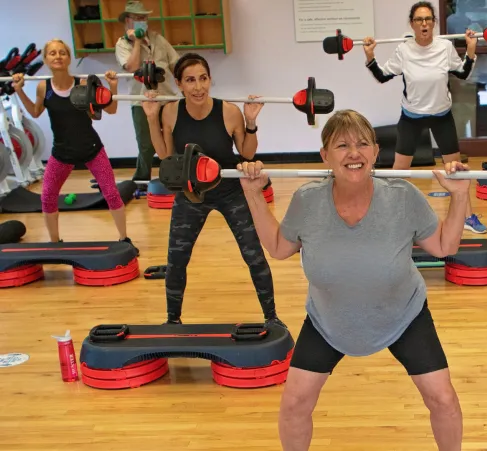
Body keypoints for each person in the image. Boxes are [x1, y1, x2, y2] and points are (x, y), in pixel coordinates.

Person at [238, 110, 466, 450]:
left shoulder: (403, 197)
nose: (354, 153)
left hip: (402, 316)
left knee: (443, 398)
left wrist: (460, 196)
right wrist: (253, 194)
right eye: (342, 145)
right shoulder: (308, 200)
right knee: (294, 404)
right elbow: (277, 247)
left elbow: (445, 246)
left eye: (362, 144)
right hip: (329, 320)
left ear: (375, 152)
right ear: (325, 156)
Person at [141, 53, 284, 327]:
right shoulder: (170, 111)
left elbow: (247, 153)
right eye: (190, 80)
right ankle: (173, 321)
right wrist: (150, 118)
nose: (198, 87)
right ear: (179, 84)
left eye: (203, 78)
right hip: (191, 194)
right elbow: (165, 155)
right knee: (177, 259)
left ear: (210, 79)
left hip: (229, 189)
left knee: (254, 255)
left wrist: (251, 121)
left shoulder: (228, 111)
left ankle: (272, 318)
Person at [364, 1, 487, 234]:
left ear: (434, 23)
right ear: (412, 24)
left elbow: (462, 73)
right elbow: (382, 76)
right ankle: (390, 216)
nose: (424, 24)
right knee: (400, 171)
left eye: (428, 19)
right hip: (411, 117)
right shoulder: (404, 50)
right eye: (419, 20)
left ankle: (467, 216)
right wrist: (370, 57)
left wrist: (470, 50)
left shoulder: (444, 47)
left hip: (442, 116)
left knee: (456, 169)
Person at [11, 39, 135, 248]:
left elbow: (110, 110)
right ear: (46, 60)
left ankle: (124, 239)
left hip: (92, 149)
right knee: (47, 197)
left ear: (69, 58)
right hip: (62, 152)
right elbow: (34, 111)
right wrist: (19, 90)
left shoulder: (84, 84)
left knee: (111, 193)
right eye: (52, 53)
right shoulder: (44, 87)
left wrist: (112, 86)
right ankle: (54, 242)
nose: (58, 56)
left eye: (62, 52)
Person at [115, 0, 180, 182]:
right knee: (146, 145)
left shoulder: (158, 39)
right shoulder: (122, 44)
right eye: (137, 18)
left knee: (172, 140)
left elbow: (176, 64)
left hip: (168, 99)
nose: (142, 21)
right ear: (127, 20)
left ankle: (176, 176)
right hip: (141, 101)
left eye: (144, 17)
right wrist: (136, 42)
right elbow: (132, 67)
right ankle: (141, 180)